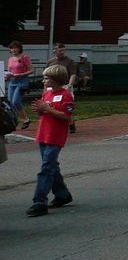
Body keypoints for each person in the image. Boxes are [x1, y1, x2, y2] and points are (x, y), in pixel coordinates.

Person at [26, 64, 74, 217]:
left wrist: (47, 109)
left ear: (56, 80)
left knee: (46, 168)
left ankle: (39, 201)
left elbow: (66, 116)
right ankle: (62, 194)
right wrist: (40, 110)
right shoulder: (46, 94)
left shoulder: (66, 95)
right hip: (43, 134)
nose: (43, 81)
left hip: (55, 137)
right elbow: (45, 112)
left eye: (46, 78)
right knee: (51, 166)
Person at [45, 43, 79, 134]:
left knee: (66, 105)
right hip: (52, 86)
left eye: (63, 50)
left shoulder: (70, 62)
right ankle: (53, 124)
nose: (62, 52)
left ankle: (71, 123)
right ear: (55, 50)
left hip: (64, 85)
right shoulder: (50, 62)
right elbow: (47, 75)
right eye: (60, 50)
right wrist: (45, 88)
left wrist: (69, 85)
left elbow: (73, 74)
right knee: (52, 105)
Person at [6, 40, 33, 130]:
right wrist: (7, 76)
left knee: (16, 101)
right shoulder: (10, 59)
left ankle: (26, 119)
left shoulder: (24, 57)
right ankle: (14, 120)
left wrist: (20, 74)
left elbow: (31, 70)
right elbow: (10, 71)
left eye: (15, 48)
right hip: (12, 82)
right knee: (10, 102)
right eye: (11, 48)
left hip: (22, 81)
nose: (13, 50)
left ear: (19, 49)